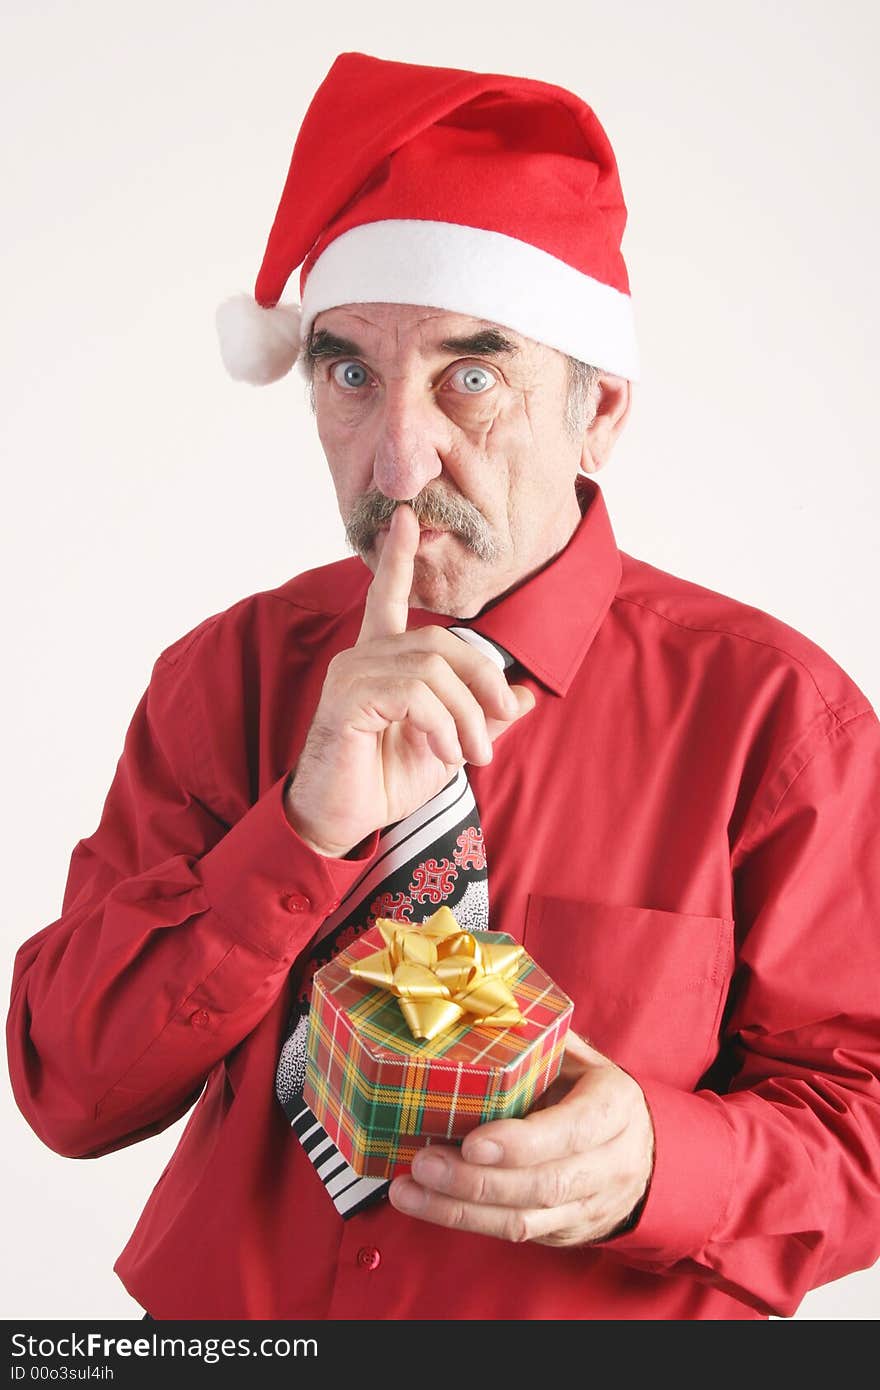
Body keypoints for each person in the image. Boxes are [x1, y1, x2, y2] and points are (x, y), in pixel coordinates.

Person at [7, 51, 880, 1322]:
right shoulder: (225, 677)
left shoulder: (778, 720)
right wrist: (298, 833)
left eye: (471, 374)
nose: (400, 457)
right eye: (349, 372)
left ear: (599, 413)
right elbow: (67, 1089)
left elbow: (863, 1126)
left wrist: (660, 1162)